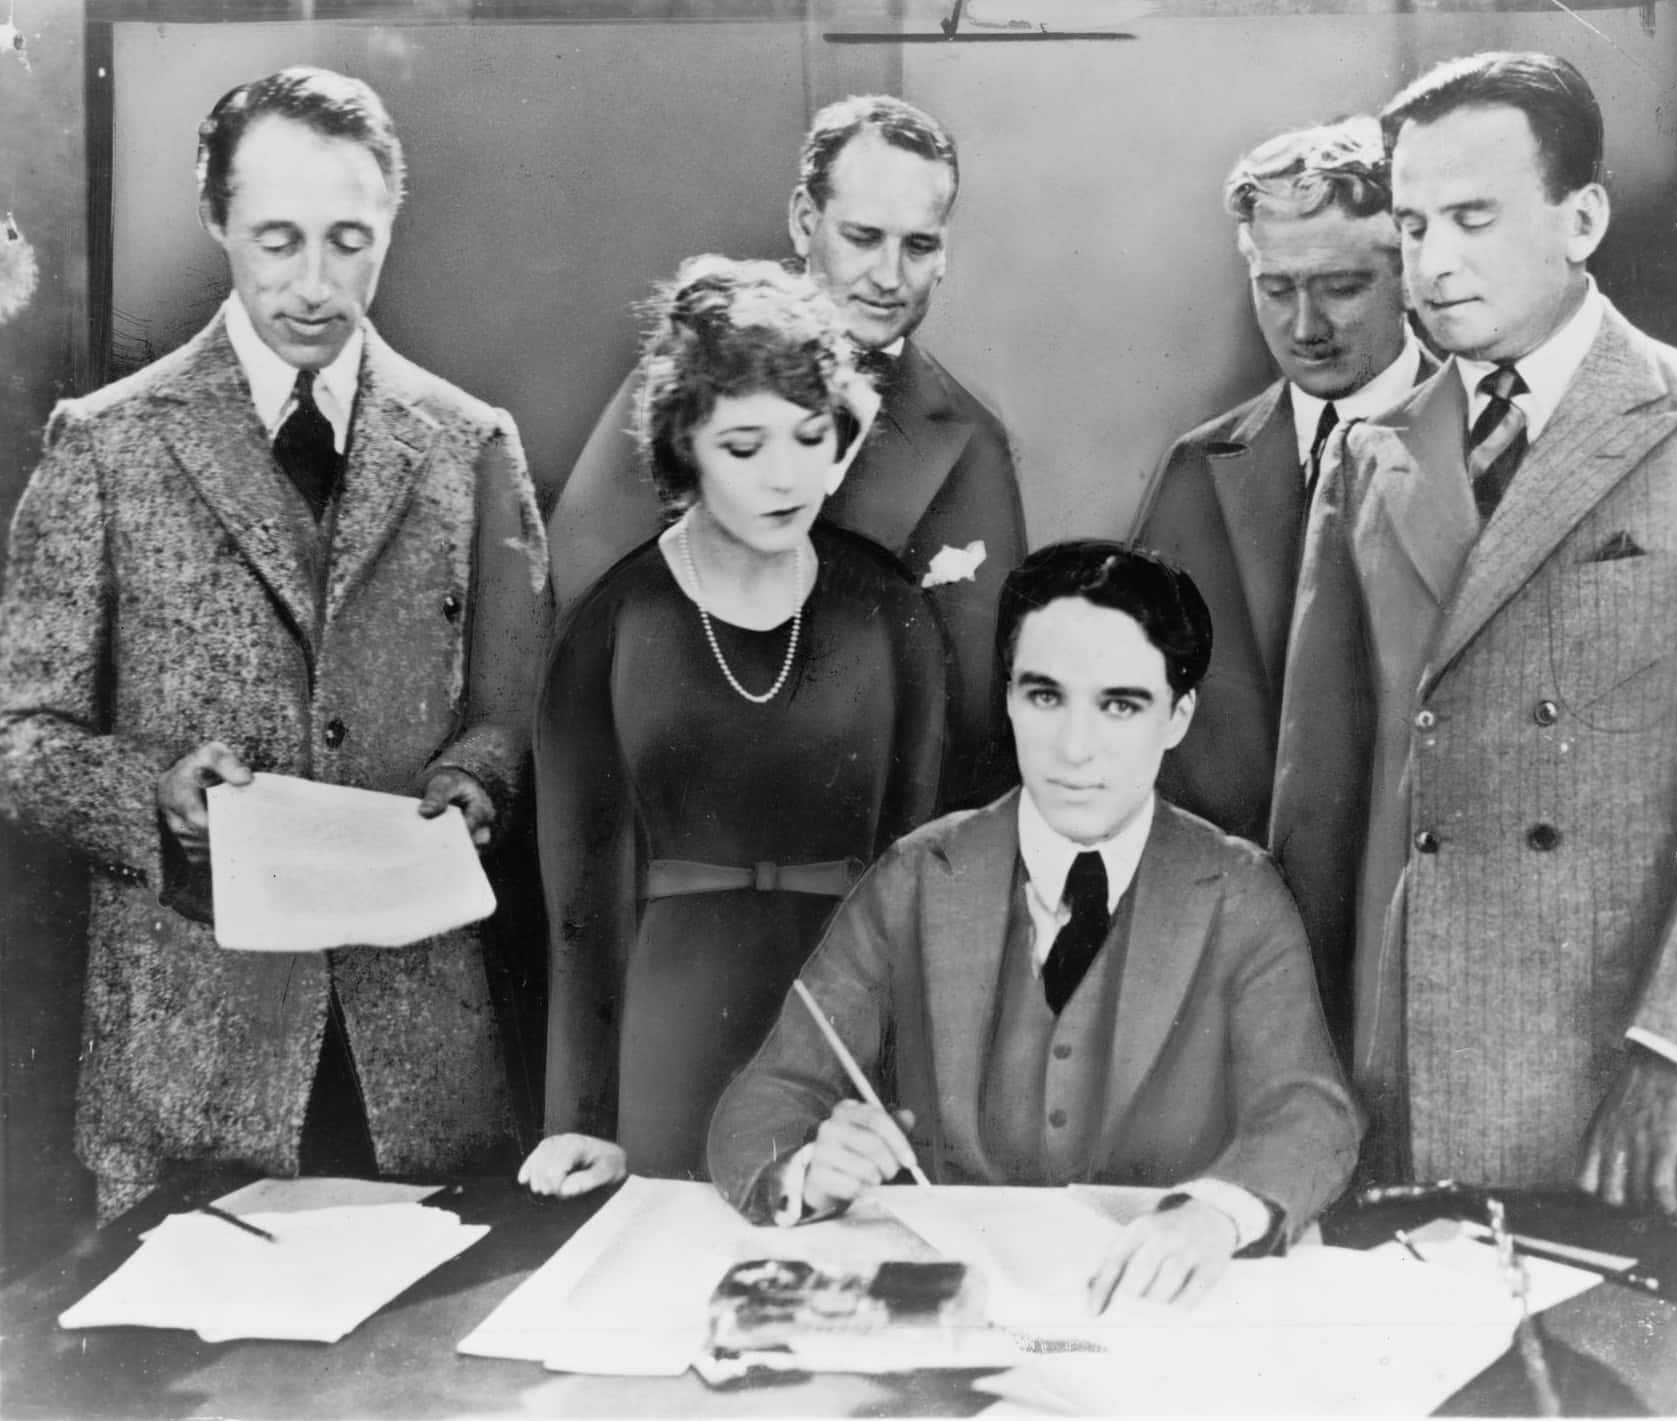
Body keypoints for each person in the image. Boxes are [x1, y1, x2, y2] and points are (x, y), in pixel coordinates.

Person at [0, 68, 551, 1220]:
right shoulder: (106, 445)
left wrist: (475, 778)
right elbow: (20, 736)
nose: (314, 284)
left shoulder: (470, 445)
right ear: (218, 223)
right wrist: (147, 791)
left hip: (420, 1060)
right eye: (277, 241)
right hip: (193, 1064)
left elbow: (513, 713)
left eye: (351, 241)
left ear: (392, 221)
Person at [1270, 51, 1677, 1211]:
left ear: (1583, 218)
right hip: (1407, 1063)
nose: (1436, 261)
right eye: (1413, 225)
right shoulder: (1370, 455)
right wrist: (1291, 1069)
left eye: (1473, 216)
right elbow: (1313, 809)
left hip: (1630, 1073)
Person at [709, 542, 1359, 1308]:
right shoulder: (917, 875)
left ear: (1178, 716)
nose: (1075, 748)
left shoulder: (1238, 890)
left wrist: (1217, 1212)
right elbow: (764, 1099)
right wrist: (811, 1164)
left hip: (1153, 1323)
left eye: (1120, 704)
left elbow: (1312, 1110)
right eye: (1046, 697)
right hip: (958, 1317)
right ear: (1011, 697)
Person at [520, 257, 947, 1195]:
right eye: (745, 447)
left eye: (809, 437)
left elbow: (922, 880)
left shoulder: (890, 612)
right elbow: (578, 911)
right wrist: (578, 1120)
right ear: (685, 448)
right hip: (673, 1026)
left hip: (847, 1024)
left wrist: (915, 1086)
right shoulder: (615, 625)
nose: (786, 476)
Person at [547, 94, 1026, 809]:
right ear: (805, 220)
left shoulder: (972, 442)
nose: (890, 277)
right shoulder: (692, 369)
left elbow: (982, 714)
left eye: (918, 245)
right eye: (863, 236)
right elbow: (585, 593)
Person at [1129, 117, 1437, 860]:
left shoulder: (1478, 446)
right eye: (1276, 288)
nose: (1305, 326)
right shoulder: (1197, 468)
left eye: (1341, 287)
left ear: (1412, 273)